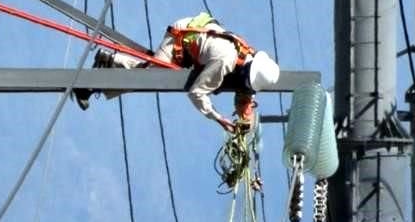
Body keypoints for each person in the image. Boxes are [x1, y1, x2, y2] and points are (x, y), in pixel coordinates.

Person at [75, 12, 281, 133]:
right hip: (180, 40)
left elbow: (246, 87)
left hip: (196, 34)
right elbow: (197, 92)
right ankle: (105, 67)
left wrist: (246, 111)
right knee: (149, 78)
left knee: (149, 72)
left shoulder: (248, 56)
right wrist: (218, 118)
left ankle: (107, 63)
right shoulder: (225, 61)